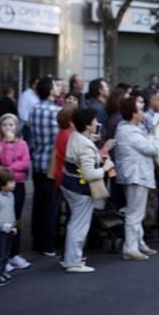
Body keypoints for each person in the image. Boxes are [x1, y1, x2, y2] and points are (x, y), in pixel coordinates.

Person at [60, 107, 114, 274]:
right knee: (79, 225)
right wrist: (106, 167)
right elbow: (90, 174)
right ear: (87, 125)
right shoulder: (85, 145)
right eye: (94, 121)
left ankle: (71, 258)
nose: (97, 123)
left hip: (68, 184)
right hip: (81, 188)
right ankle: (74, 261)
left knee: (74, 223)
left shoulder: (75, 136)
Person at [115, 95, 159, 262]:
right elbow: (152, 149)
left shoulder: (130, 129)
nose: (142, 112)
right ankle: (131, 247)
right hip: (136, 175)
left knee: (137, 212)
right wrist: (157, 135)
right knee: (134, 213)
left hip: (136, 175)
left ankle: (139, 243)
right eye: (139, 109)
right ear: (133, 113)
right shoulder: (129, 131)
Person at [29, 76, 60, 257]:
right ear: (49, 90)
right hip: (51, 163)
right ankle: (48, 244)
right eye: (55, 85)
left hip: (38, 158)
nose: (58, 88)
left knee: (38, 203)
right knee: (51, 205)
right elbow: (58, 140)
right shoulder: (55, 111)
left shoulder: (34, 109)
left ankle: (37, 240)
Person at [0, 114, 31, 270]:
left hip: (19, 184)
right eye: (5, 125)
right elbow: (3, 160)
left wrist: (8, 169)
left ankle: (14, 254)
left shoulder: (23, 144)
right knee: (3, 219)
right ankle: (3, 255)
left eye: (11, 125)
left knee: (17, 219)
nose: (8, 128)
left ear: (16, 127)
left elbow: (24, 163)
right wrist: (8, 145)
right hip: (3, 187)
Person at [0, 166, 17, 285]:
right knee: (0, 253)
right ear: (2, 185)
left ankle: (3, 271)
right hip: (0, 230)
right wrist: (1, 225)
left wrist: (15, 225)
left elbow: (12, 212)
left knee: (6, 253)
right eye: (10, 182)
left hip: (10, 228)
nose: (14, 183)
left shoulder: (11, 196)